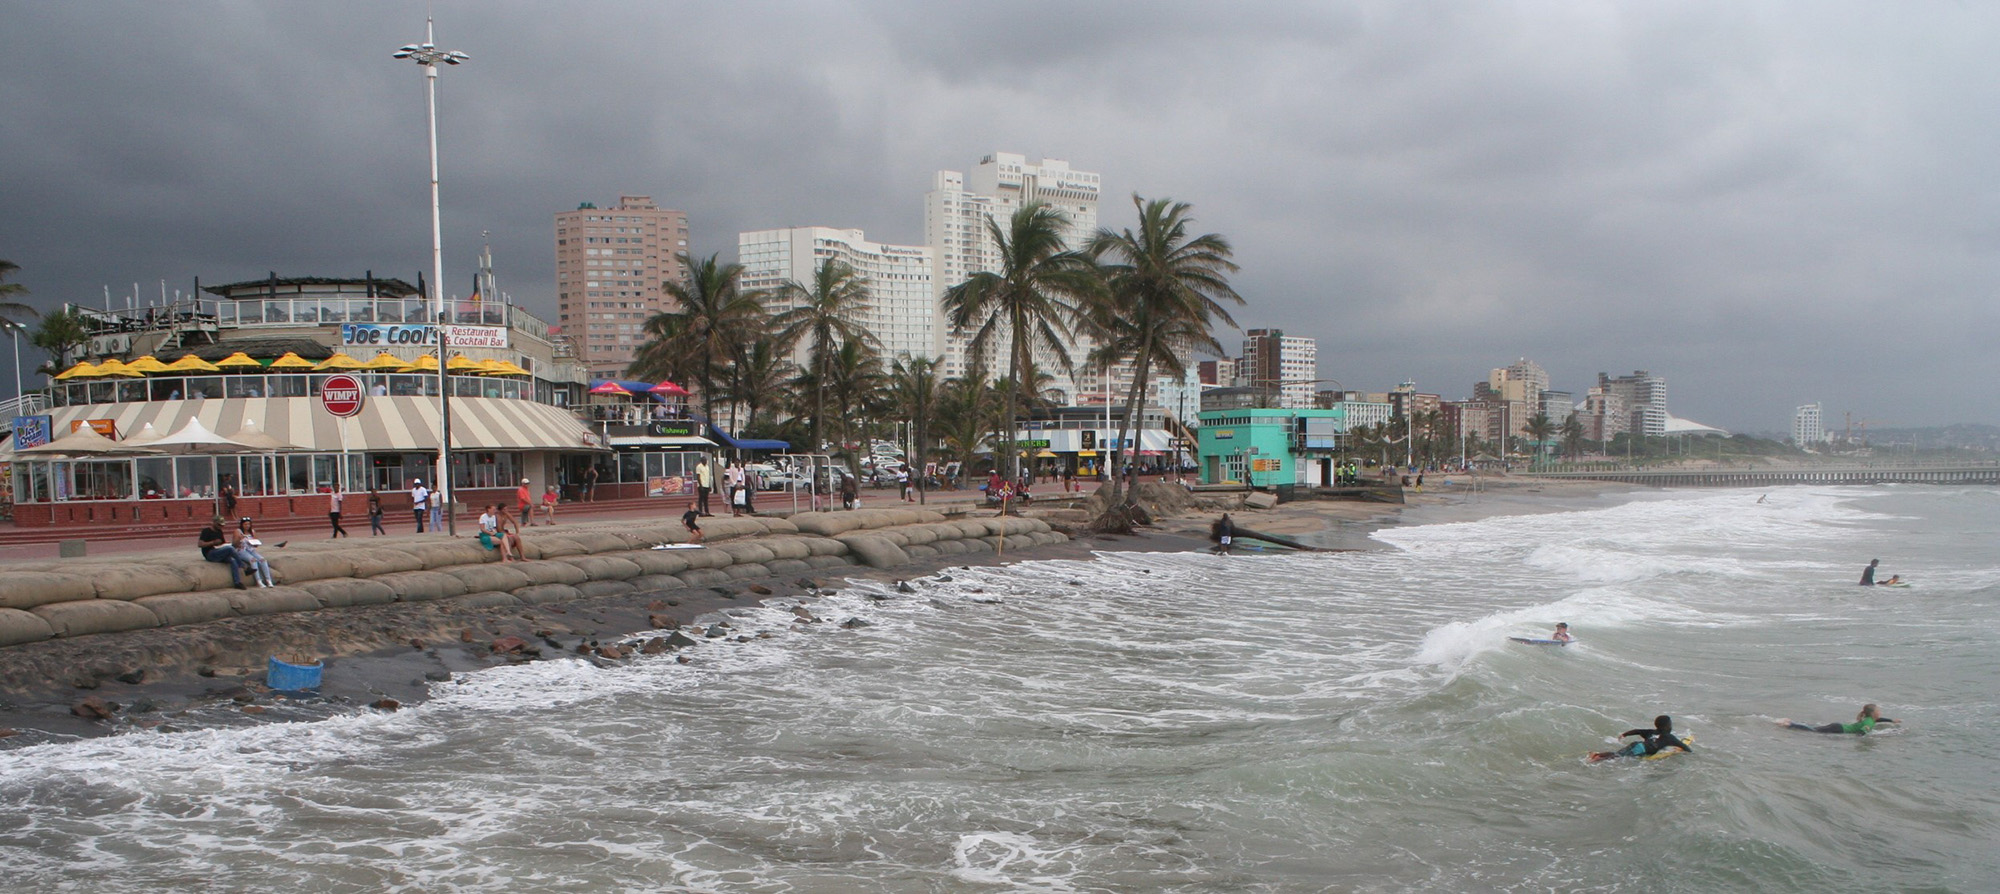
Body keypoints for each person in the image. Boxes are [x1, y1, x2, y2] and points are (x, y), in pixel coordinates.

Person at [1589, 715, 1693, 761]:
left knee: (1618, 753)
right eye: (1670, 724)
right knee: (1618, 757)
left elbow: (1637, 731)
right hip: (1642, 749)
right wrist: (1688, 753)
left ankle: (1597, 754)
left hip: (1636, 744)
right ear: (1667, 727)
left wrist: (1624, 734)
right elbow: (1685, 747)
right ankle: (1597, 759)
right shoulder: (1670, 737)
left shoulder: (1651, 731)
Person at [1778, 704, 1899, 735]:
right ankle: (1790, 724)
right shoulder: (1868, 722)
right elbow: (1862, 732)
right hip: (1839, 729)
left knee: (1815, 728)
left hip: (1838, 726)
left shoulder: (1870, 719)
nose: (1880, 713)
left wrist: (1891, 720)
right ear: (1873, 714)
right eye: (1878, 711)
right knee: (1813, 731)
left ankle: (1791, 722)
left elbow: (1879, 720)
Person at [198, 516, 248, 589]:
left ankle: (237, 582)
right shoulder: (206, 531)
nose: (220, 527)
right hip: (210, 553)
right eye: (219, 525)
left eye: (222, 525)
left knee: (233, 561)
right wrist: (213, 542)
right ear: (214, 523)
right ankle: (243, 566)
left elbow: (222, 543)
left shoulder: (219, 531)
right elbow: (200, 544)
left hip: (219, 552)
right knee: (230, 549)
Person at [234, 518, 276, 588]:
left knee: (263, 560)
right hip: (241, 550)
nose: (247, 526)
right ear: (242, 525)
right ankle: (258, 581)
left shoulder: (252, 531)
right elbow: (234, 544)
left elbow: (256, 544)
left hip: (251, 550)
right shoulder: (238, 531)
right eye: (245, 524)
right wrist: (239, 539)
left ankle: (268, 580)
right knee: (253, 560)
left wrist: (255, 543)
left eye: (248, 524)